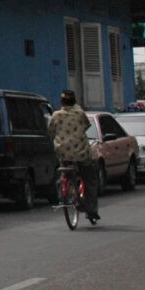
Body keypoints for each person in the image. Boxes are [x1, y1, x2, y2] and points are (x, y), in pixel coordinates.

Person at [47, 90, 99, 224]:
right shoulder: (80, 113)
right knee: (90, 179)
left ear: (62, 102)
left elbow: (50, 131)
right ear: (74, 101)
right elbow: (86, 126)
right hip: (81, 154)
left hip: (63, 154)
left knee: (65, 172)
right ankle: (91, 209)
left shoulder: (56, 115)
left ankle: (66, 187)